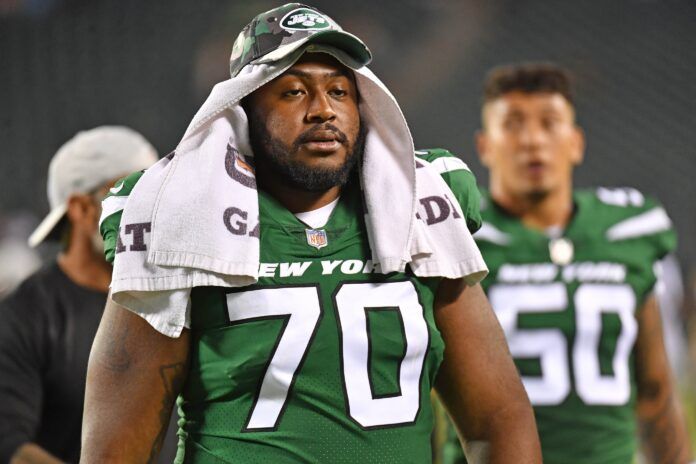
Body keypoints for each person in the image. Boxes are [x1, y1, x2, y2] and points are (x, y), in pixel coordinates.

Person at [81, 4, 541, 463]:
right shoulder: (181, 216)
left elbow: (497, 417)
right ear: (242, 113)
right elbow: (116, 448)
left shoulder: (419, 209)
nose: (323, 110)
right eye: (293, 93)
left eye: (340, 91)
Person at [443, 63, 693, 463]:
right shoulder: (456, 235)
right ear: (485, 146)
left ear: (576, 142)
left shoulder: (630, 228)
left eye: (550, 123)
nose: (532, 141)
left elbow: (654, 391)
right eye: (513, 124)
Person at [0, 126, 158, 463]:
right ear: (82, 209)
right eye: (136, 196)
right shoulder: (23, 318)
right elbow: (12, 448)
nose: (156, 213)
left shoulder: (174, 296)